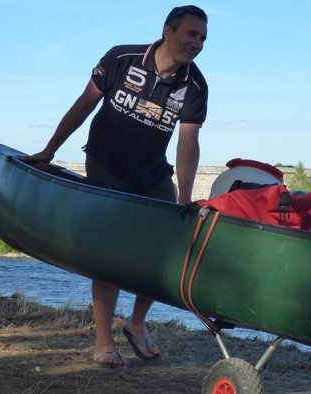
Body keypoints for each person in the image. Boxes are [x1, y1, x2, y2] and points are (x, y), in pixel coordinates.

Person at [24, 5, 208, 367]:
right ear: (167, 31)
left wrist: (184, 198)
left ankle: (136, 323)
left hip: (153, 175)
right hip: (107, 167)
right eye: (191, 34)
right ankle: (103, 341)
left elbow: (188, 143)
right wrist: (49, 150)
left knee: (164, 252)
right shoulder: (121, 58)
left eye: (203, 38)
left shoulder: (194, 85)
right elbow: (84, 105)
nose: (197, 44)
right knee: (108, 257)